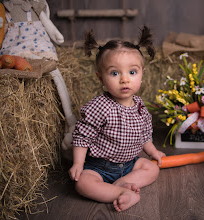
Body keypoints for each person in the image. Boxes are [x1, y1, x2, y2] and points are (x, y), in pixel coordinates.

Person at [68, 26, 166, 212]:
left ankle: (123, 183)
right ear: (100, 78)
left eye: (132, 72)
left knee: (152, 169)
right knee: (83, 184)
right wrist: (78, 164)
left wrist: (153, 152)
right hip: (99, 167)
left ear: (142, 74)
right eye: (114, 73)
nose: (124, 80)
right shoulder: (100, 106)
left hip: (129, 164)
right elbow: (82, 137)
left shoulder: (140, 106)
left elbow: (145, 134)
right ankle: (121, 193)